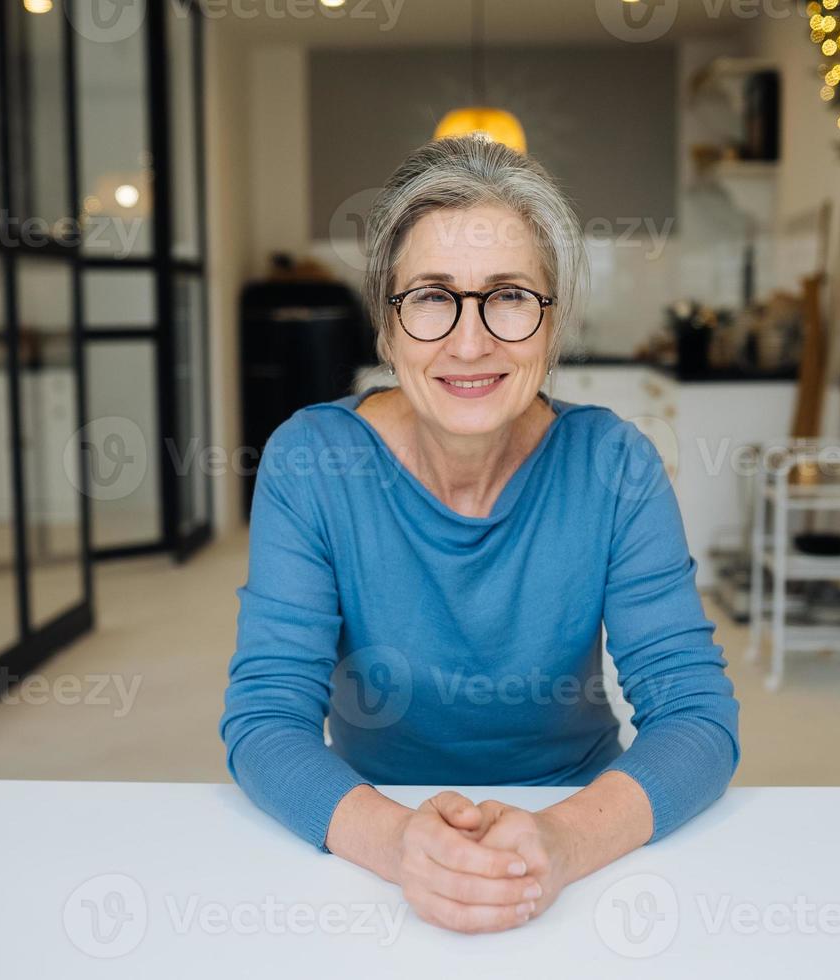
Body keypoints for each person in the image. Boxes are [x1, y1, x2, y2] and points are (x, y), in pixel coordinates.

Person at [220, 135, 739, 935]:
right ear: (385, 329)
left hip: (581, 825)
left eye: (507, 295)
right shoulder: (312, 460)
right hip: (372, 821)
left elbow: (695, 716)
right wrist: (399, 844)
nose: (470, 342)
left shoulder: (614, 464)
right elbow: (265, 719)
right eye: (431, 296)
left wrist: (561, 841)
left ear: (551, 323)